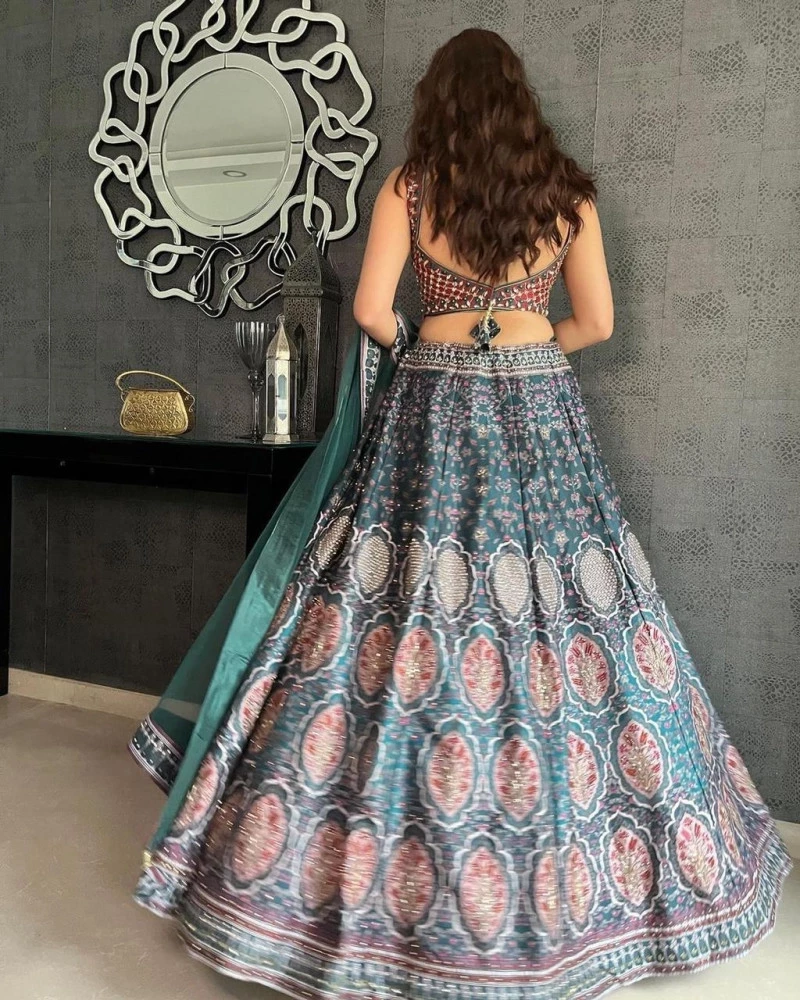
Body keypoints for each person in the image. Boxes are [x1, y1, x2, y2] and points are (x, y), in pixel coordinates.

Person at [130, 27, 793, 1000]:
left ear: (438, 100)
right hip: (538, 403)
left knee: (397, 607)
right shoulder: (567, 195)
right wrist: (527, 342)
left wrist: (427, 339)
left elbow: (369, 311)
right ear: (521, 102)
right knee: (568, 610)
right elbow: (597, 323)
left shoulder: (410, 187)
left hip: (432, 403)